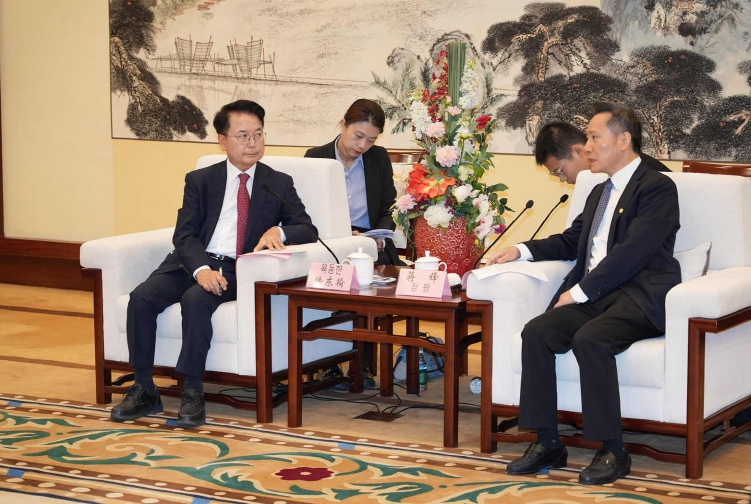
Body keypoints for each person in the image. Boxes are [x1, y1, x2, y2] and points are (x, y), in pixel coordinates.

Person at [486, 103, 681, 484]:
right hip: (597, 295)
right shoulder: (599, 192)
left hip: (639, 295)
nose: (586, 146)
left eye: (594, 137)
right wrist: (521, 250)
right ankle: (547, 442)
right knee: (537, 332)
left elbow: (633, 253)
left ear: (623, 140)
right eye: (587, 138)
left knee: (591, 339)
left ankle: (613, 450)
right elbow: (573, 241)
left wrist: (579, 292)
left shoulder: (657, 187)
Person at [110, 100, 318, 428]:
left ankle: (193, 391)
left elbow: (307, 229)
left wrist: (277, 231)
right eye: (243, 135)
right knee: (141, 298)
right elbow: (185, 234)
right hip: (191, 263)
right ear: (223, 140)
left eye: (258, 134)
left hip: (237, 268)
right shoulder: (201, 180)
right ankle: (144, 388)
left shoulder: (277, 182)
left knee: (196, 300)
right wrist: (201, 270)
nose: (252, 143)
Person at [305, 98, 403, 266]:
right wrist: (343, 237)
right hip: (330, 243)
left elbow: (389, 208)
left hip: (370, 243)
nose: (362, 145)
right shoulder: (316, 157)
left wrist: (378, 237)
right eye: (358, 136)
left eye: (371, 140)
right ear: (343, 125)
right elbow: (308, 212)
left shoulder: (379, 157)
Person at [535, 121, 670, 184]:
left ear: (578, 151)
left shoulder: (650, 178)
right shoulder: (596, 183)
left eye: (559, 171)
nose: (562, 179)